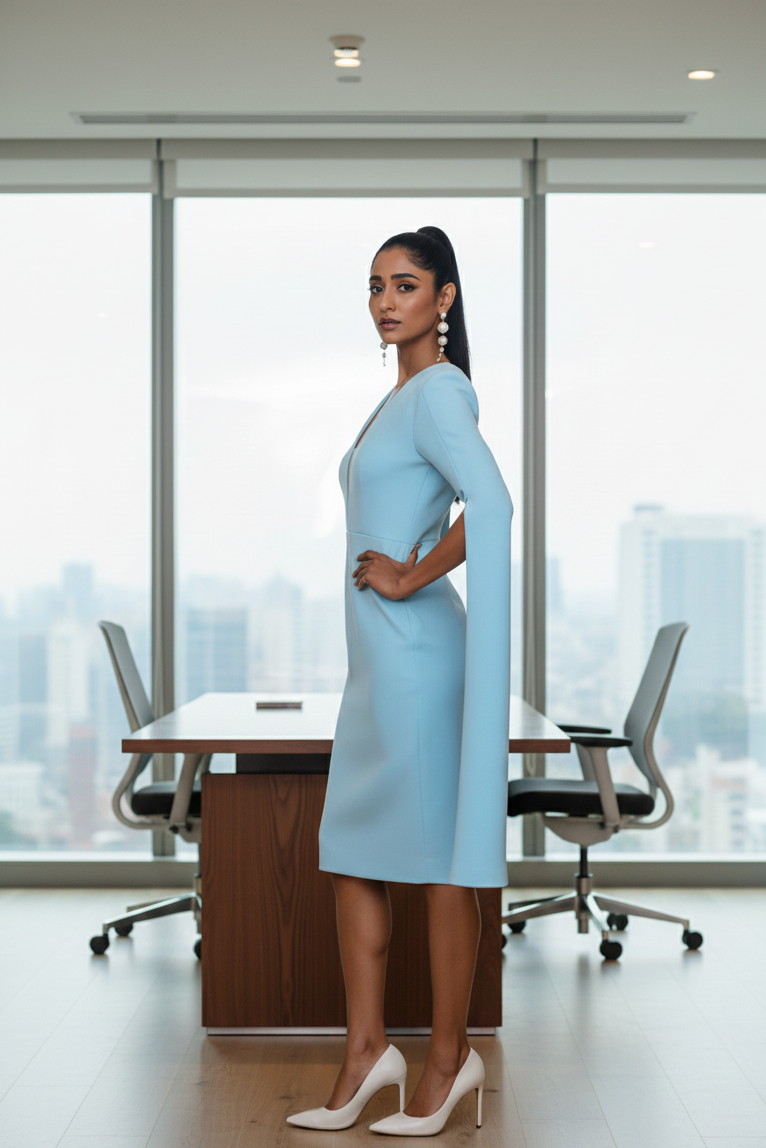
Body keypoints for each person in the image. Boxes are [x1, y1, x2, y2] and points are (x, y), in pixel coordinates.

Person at [287, 226, 512, 1136]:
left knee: (438, 869)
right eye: (376, 285)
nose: (387, 301)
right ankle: (367, 1050)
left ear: (445, 300)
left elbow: (490, 505)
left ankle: (450, 1061)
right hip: (378, 665)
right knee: (351, 852)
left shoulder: (441, 393)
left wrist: (414, 575)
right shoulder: (399, 398)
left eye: (407, 284)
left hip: (419, 659)